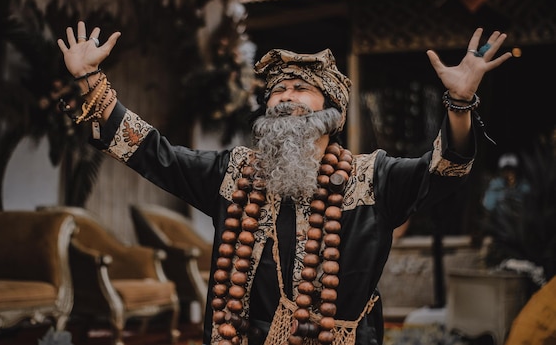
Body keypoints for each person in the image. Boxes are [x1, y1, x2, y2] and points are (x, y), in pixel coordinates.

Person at [57, 22, 512, 345]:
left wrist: (459, 101)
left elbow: (447, 166)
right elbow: (156, 154)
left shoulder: (373, 177)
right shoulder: (232, 173)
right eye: (276, 91)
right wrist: (90, 81)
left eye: (299, 88)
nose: (284, 97)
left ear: (332, 113)